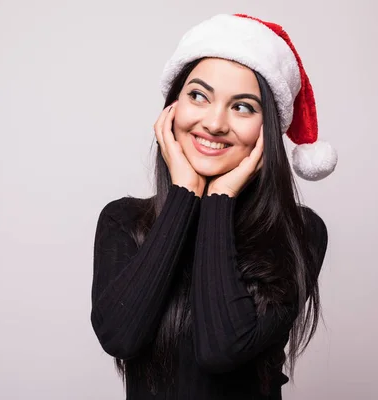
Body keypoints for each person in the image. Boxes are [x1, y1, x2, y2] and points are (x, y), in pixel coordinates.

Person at [90, 13, 338, 400]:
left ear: (266, 130)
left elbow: (221, 348)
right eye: (199, 96)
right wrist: (184, 194)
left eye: (242, 107)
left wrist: (220, 199)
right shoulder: (123, 222)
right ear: (172, 109)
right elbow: (120, 337)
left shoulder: (300, 231)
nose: (215, 123)